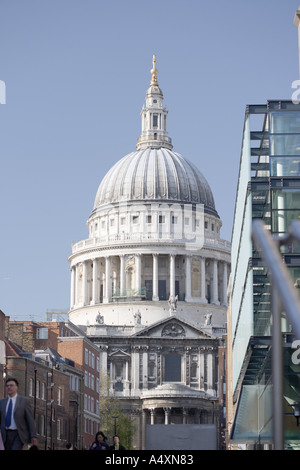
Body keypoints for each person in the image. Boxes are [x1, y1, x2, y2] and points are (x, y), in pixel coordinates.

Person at [0, 377, 37, 450]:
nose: (9, 387)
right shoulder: (2, 402)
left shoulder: (24, 401)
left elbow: (30, 420)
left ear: (16, 387)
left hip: (19, 434)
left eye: (11, 385)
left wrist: (33, 435)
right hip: (5, 434)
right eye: (7, 386)